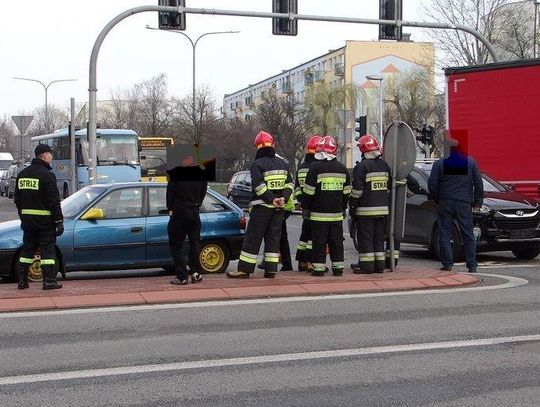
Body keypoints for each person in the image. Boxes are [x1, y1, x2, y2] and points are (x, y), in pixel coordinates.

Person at [227, 131, 294, 279]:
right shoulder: (282, 163)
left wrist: (271, 199)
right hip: (279, 208)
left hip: (261, 207)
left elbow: (258, 186)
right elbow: (289, 183)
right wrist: (282, 198)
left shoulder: (257, 164)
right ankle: (271, 270)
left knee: (252, 238)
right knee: (273, 238)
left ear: (257, 147)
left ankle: (244, 270)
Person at [428, 141, 483, 273]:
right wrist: (477, 202)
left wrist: (437, 199)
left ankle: (447, 264)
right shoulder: (470, 162)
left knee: (445, 233)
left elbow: (432, 185)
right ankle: (472, 265)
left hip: (445, 202)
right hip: (464, 203)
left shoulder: (440, 163)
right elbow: (478, 183)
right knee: (468, 234)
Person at [14, 144, 64, 290]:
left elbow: (17, 200)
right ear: (44, 155)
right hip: (45, 223)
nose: (51, 157)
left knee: (27, 250)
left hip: (28, 223)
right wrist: (59, 221)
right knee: (47, 251)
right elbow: (54, 201)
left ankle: (22, 281)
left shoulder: (22, 175)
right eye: (50, 154)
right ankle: (49, 281)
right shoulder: (47, 175)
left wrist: (24, 216)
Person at [302, 136, 351, 277]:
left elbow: (308, 192)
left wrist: (306, 208)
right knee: (336, 241)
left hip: (318, 214)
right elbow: (346, 192)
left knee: (319, 242)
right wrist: (343, 207)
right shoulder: (342, 169)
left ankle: (318, 269)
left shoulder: (315, 168)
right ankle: (338, 268)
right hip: (336, 214)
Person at [349, 135, 391, 274]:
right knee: (378, 239)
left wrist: (353, 205)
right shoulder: (384, 165)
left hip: (366, 211)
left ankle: (367, 267)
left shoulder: (362, 166)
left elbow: (357, 190)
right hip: (382, 211)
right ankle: (379, 266)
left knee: (366, 238)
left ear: (363, 150)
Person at [167, 177, 207, 285]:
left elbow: (171, 191)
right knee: (194, 243)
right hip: (195, 211)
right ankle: (195, 273)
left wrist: (170, 208)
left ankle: (182, 276)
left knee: (176, 244)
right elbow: (204, 190)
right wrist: (198, 203)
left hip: (180, 211)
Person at [384, 174, 424, 270]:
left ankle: (379, 263)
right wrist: (404, 193)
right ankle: (392, 263)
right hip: (396, 207)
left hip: (380, 207)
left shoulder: (383, 168)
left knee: (377, 237)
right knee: (394, 234)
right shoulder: (400, 172)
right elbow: (415, 185)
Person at [294, 135, 322, 271]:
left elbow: (297, 188)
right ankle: (311, 262)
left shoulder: (302, 167)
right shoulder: (319, 167)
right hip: (317, 206)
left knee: (304, 235)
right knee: (313, 236)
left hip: (305, 206)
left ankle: (302, 261)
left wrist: (302, 202)